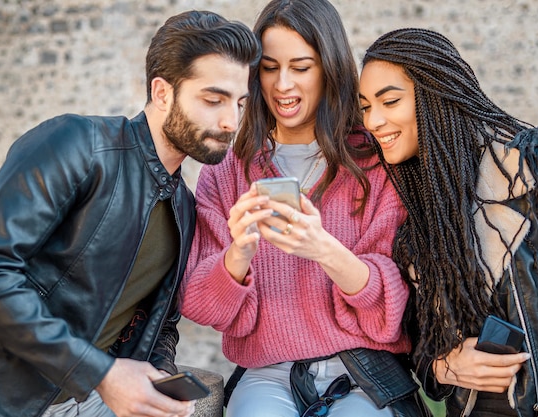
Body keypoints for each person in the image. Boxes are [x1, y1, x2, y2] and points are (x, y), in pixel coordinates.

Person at [0, 10, 260, 417]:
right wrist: (102, 374)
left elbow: (162, 323)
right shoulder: (77, 144)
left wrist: (160, 379)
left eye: (240, 103)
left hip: (91, 398)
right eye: (213, 100)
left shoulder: (184, 207)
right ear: (162, 93)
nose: (231, 121)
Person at [180, 1, 430, 416]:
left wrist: (324, 249)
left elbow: (394, 305)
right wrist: (237, 255)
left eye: (301, 67)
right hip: (266, 371)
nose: (282, 85)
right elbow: (201, 305)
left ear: (328, 69)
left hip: (362, 370)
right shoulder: (226, 171)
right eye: (270, 67)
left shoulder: (376, 161)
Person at [358, 28, 538, 417]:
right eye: (365, 106)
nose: (373, 121)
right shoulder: (411, 203)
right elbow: (416, 343)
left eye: (389, 101)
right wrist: (443, 366)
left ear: (435, 95)